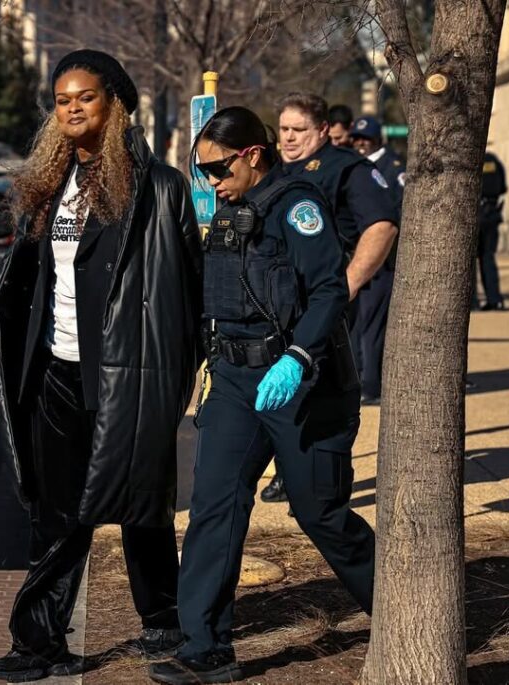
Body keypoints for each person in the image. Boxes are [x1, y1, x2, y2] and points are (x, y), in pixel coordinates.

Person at [0, 49, 203, 682]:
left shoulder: (160, 190)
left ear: (115, 104)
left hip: (129, 374)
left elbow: (189, 291)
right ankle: (40, 642)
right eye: (62, 99)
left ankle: (163, 620)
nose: (72, 107)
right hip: (56, 369)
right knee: (55, 512)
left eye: (85, 96)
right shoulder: (47, 187)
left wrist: (180, 377)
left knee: (143, 505)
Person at [149, 107, 375, 685]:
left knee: (319, 512)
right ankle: (205, 647)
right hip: (235, 381)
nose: (211, 183)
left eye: (218, 169)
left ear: (252, 154)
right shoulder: (229, 210)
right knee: (214, 507)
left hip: (303, 383)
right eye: (202, 174)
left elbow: (328, 290)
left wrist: (297, 357)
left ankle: (398, 608)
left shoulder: (297, 205)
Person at [259, 93, 399, 503]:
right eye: (283, 129)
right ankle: (288, 473)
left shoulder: (345, 169)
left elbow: (382, 226)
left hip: (325, 304)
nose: (288, 138)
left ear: (322, 131)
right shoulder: (270, 169)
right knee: (279, 391)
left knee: (324, 393)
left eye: (298, 130)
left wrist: (347, 285)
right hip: (277, 303)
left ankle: (328, 480)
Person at [348, 115, 405, 405]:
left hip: (382, 260)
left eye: (365, 139)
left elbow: (398, 212)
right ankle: (358, 379)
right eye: (356, 139)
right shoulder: (357, 167)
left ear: (378, 140)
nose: (360, 144)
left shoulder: (393, 167)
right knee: (356, 324)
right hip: (355, 255)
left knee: (372, 326)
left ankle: (370, 384)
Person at [476, 151, 507, 310]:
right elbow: (503, 188)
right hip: (492, 214)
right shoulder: (494, 160)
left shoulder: (471, 159)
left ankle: (472, 302)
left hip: (475, 215)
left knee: (468, 262)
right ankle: (495, 299)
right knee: (488, 258)